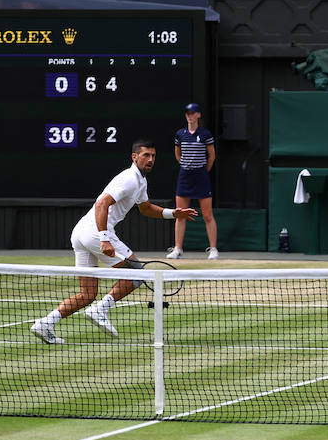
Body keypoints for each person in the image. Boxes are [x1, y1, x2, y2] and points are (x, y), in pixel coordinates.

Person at [31, 141, 196, 344]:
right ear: (135, 157)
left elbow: (145, 208)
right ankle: (101, 309)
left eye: (153, 156)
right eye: (145, 155)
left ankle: (45, 323)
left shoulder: (140, 182)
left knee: (88, 293)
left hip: (81, 232)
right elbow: (102, 203)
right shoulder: (128, 179)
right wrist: (104, 238)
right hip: (94, 233)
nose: (150, 159)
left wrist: (173, 213)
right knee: (136, 272)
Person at [166, 104, 219, 260]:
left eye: (192, 113)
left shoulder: (205, 134)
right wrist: (186, 165)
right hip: (185, 177)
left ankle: (213, 249)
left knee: (207, 214)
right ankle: (178, 249)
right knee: (180, 214)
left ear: (198, 115)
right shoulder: (180, 134)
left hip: (201, 176)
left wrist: (202, 171)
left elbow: (212, 156)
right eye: (187, 113)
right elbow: (178, 154)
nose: (189, 116)